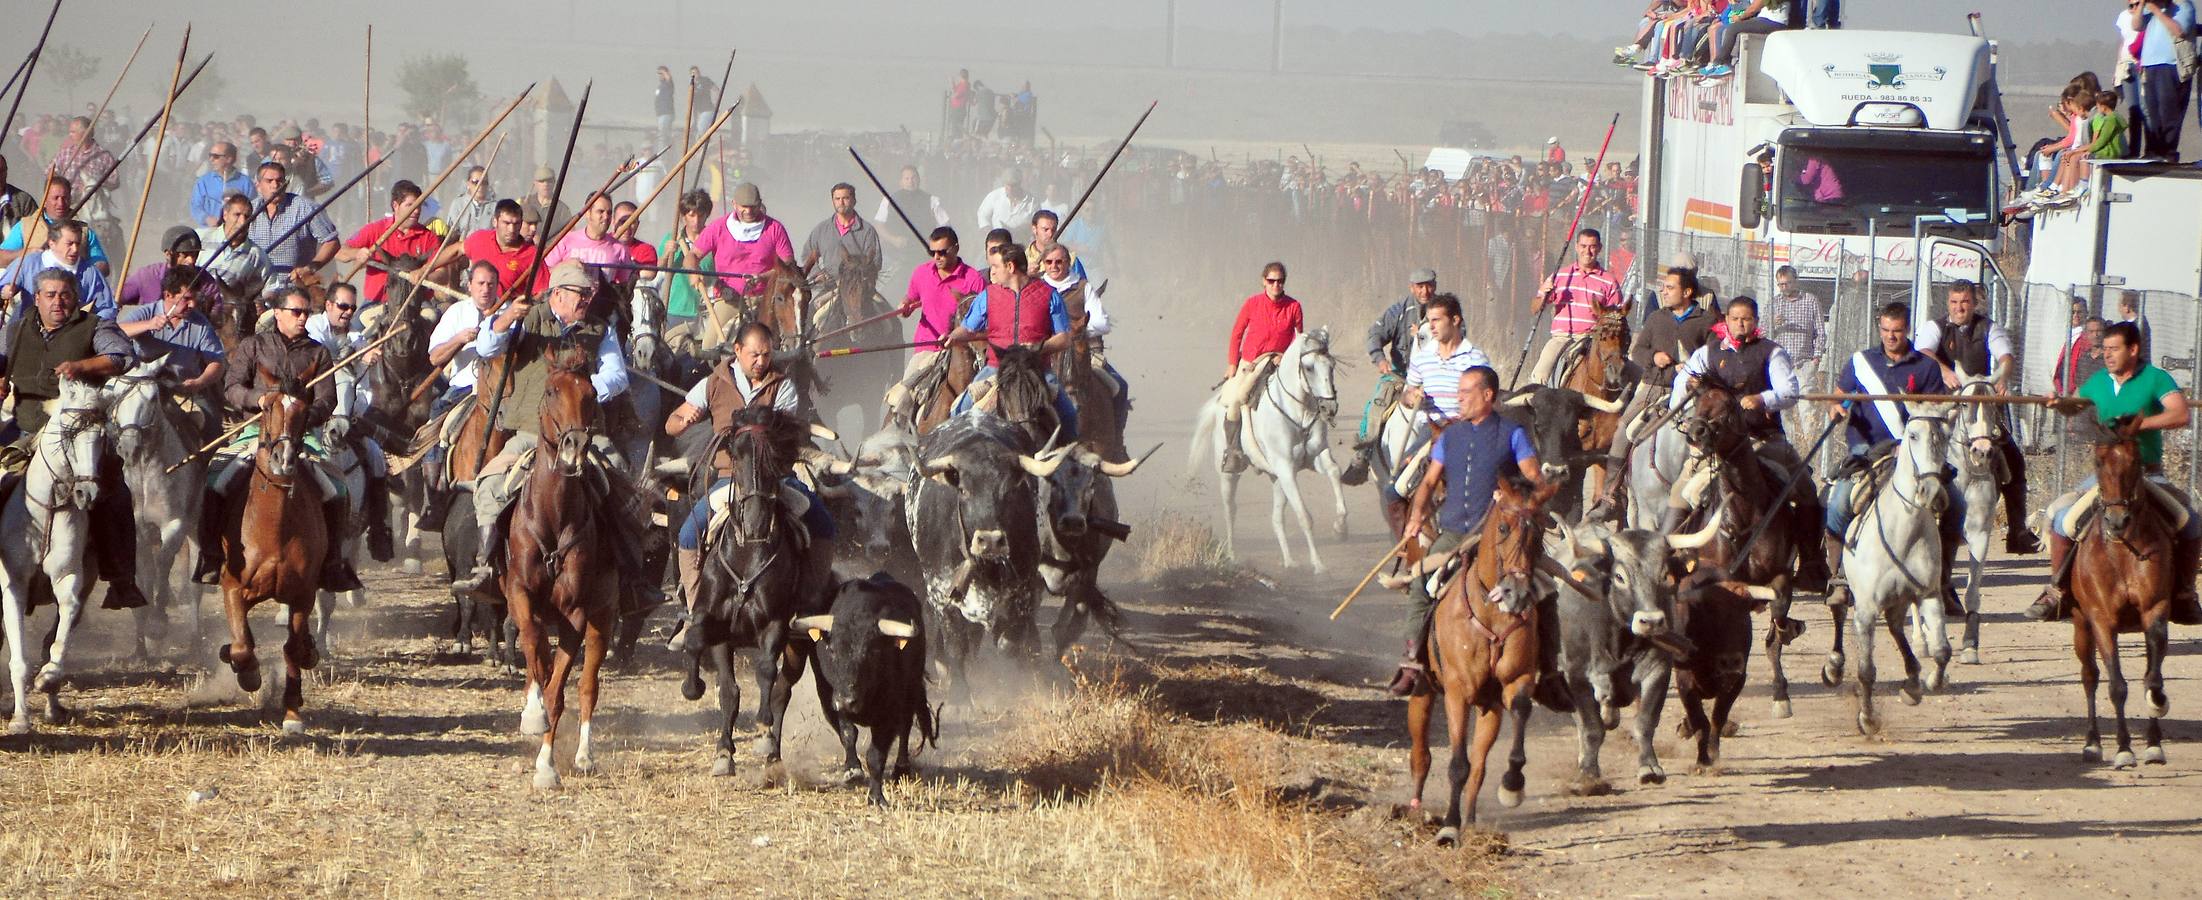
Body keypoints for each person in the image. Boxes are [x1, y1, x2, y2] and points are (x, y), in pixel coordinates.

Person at [451, 261, 650, 600]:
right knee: (490, 483)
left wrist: (577, 393)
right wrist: (506, 318)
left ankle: (632, 577)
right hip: (531, 431)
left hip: (587, 434)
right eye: (580, 294)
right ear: (558, 293)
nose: (587, 300)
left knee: (623, 483)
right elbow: (486, 348)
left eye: (590, 294)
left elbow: (616, 376)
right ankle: (486, 566)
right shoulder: (527, 320)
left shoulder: (599, 330)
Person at [660, 321, 835, 652]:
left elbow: (784, 433)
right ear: (737, 351)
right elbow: (672, 423)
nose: (761, 361)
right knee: (687, 534)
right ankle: (696, 613)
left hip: (774, 478)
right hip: (728, 479)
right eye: (754, 354)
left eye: (766, 355)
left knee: (823, 522)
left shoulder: (781, 387)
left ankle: (810, 600)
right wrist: (684, 421)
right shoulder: (713, 383)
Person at [193, 286, 364, 591]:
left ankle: (333, 562)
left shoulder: (318, 352)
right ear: (278, 314)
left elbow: (327, 400)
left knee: (337, 488)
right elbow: (231, 387)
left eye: (306, 313)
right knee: (214, 481)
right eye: (296, 312)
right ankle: (210, 555)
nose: (302, 318)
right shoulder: (253, 346)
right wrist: (259, 399)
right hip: (253, 431)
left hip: (302, 437)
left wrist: (298, 418)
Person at [2033, 321, 2202, 625]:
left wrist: (2137, 426)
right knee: (2062, 519)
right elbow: (2075, 405)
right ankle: (2057, 590)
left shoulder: (2156, 379)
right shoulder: (2099, 381)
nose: (2107, 354)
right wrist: (2060, 403)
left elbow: (2180, 414)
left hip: (2147, 474)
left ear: (2133, 350)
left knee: (2190, 522)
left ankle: (2185, 594)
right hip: (2107, 477)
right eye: (2105, 348)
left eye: (2114, 349)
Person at [1388, 365, 1542, 697]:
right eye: (1458, 393)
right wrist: (1415, 517)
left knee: (1546, 590)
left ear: (1488, 395)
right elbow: (1429, 482)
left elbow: (1535, 480)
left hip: (1503, 536)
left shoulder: (1513, 433)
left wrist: (1513, 495)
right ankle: (1412, 663)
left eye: (1465, 393)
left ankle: (1551, 671)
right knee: (1421, 586)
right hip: (1455, 532)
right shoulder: (1450, 436)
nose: (1459, 399)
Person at [0, 268, 148, 609]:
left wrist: (82, 366)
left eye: (65, 294)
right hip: (24, 429)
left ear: (75, 298)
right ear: (36, 299)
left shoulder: (95, 326)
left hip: (82, 432)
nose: (58, 301)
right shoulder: (16, 328)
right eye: (50, 295)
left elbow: (123, 357)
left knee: (114, 492)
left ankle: (120, 578)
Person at [1672, 295, 1831, 596]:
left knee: (1805, 489)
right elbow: (1681, 386)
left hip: (1764, 439)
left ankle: (1811, 564)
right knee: (1681, 489)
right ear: (1726, 321)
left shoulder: (1771, 352)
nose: (1740, 324)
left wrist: (1762, 399)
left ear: (1756, 322)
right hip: (1716, 446)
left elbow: (1789, 390)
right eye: (1735, 318)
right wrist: (1688, 395)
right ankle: (1669, 555)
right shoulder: (1708, 353)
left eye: (1746, 319)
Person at [1821, 303, 1965, 617]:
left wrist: (1911, 444)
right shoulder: (1862, 362)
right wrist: (1836, 407)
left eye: (1897, 331)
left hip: (1913, 452)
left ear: (1907, 330)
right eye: (1885, 330)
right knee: (1839, 502)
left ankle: (1941, 581)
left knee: (1956, 503)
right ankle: (1840, 578)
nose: (1890, 336)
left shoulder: (1925, 367)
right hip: (1867, 449)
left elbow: (1932, 411)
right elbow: (1839, 395)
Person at [1913, 280, 2042, 554]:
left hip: (1979, 404)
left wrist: (2003, 377)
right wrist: (1944, 371)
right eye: (1955, 302)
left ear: (1974, 303)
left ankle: (2017, 530)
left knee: (2015, 461)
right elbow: (1922, 351)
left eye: (1965, 302)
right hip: (1943, 404)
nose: (1960, 308)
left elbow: (2006, 356)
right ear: (1948, 303)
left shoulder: (1989, 327)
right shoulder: (1935, 328)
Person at [1592, 266, 1715, 513]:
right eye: (1664, 287)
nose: (1664, 291)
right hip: (1654, 388)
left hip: (1694, 393)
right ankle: (1610, 493)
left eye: (1670, 287)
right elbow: (1637, 351)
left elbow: (1714, 355)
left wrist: (1694, 371)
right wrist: (1654, 356)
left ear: (1687, 291)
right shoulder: (1657, 318)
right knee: (1623, 430)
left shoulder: (1706, 320)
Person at [943, 242, 1079, 436]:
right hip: (996, 369)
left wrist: (1039, 347)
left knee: (1069, 415)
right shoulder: (988, 295)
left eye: (996, 267)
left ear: (1010, 267)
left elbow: (1064, 338)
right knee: (959, 411)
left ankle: (1070, 460)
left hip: (1036, 371)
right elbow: (967, 328)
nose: (993, 273)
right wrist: (951, 337)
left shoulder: (1050, 295)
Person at [309, 282, 395, 560]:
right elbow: (319, 360)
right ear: (329, 305)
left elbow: (362, 391)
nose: (347, 312)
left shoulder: (359, 339)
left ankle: (379, 527)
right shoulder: (313, 328)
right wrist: (351, 356)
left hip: (345, 417)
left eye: (352, 308)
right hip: (310, 413)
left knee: (375, 454)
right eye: (343, 306)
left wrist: (362, 362)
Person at [882, 226, 985, 423]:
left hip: (964, 352)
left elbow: (984, 316)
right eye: (933, 252)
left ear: (955, 248)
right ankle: (897, 431)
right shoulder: (921, 273)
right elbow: (911, 297)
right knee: (903, 396)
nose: (937, 257)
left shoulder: (973, 279)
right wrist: (905, 305)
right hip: (926, 348)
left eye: (942, 252)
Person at [116, 265, 228, 443]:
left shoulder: (200, 323)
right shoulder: (148, 312)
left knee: (213, 425)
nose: (192, 304)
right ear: (168, 295)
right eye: (186, 299)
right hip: (144, 387)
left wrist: (199, 382)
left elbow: (216, 362)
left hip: (184, 389)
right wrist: (147, 325)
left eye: (195, 299)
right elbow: (116, 331)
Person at [1219, 262, 1305, 474]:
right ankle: (1233, 451)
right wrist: (1232, 364)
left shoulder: (1294, 306)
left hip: (1280, 363)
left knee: (1305, 396)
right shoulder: (1252, 304)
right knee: (1236, 399)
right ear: (1263, 281)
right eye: (1271, 281)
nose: (1276, 285)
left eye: (1280, 281)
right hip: (1252, 362)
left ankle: (1305, 447)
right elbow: (1237, 334)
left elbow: (1299, 339)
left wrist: (1285, 356)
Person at [1036, 243, 1129, 432]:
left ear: (1068, 262)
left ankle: (1117, 443)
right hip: (1045, 354)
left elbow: (1102, 323)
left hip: (1082, 351)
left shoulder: (1083, 287)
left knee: (1119, 386)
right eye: (1049, 262)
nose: (1054, 266)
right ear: (1043, 264)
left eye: (1059, 261)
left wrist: (1076, 333)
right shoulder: (1036, 288)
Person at [1354, 268, 1438, 466]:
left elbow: (1459, 334)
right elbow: (1375, 333)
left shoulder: (1445, 311)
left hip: (1437, 378)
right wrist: (1379, 359)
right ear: (1411, 287)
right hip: (1401, 376)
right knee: (1376, 405)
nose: (1425, 291)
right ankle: (1363, 453)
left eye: (1429, 285)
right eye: (1420, 286)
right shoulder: (1398, 311)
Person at [1527, 229, 1625, 386]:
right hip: (1563, 337)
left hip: (1594, 339)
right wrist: (1544, 295)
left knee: (1624, 377)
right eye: (1583, 246)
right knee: (1540, 374)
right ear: (1576, 247)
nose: (1587, 251)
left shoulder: (1609, 281)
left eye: (1592, 246)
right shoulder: (1560, 276)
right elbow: (1534, 309)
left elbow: (1617, 317)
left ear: (1599, 248)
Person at [336, 181, 444, 304]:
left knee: (434, 317)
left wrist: (425, 276)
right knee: (355, 323)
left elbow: (442, 272)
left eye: (419, 206)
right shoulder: (375, 230)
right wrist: (357, 253)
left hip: (417, 303)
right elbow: (339, 252)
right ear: (395, 205)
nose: (416, 211)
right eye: (410, 206)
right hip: (377, 301)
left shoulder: (428, 237)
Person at [689, 182, 794, 299]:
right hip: (728, 298)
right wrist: (694, 271)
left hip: (767, 299)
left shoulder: (775, 228)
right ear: (734, 204)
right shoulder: (718, 227)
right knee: (718, 318)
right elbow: (693, 255)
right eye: (744, 207)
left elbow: (788, 265)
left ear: (760, 203)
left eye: (753, 206)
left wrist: (763, 277)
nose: (748, 211)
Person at [246, 161, 340, 286]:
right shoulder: (248, 212)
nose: (275, 186)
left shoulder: (306, 208)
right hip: (257, 288)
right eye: (269, 181)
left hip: (294, 287)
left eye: (279, 181)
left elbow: (331, 242)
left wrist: (310, 268)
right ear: (258, 185)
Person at [2, 218, 116, 320]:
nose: (75, 249)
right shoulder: (29, 263)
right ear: (52, 243)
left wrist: (89, 328)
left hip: (72, 336)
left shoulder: (90, 273)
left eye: (77, 243)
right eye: (69, 244)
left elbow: (107, 309)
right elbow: (3, 287)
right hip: (27, 330)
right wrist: (5, 291)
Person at [0, 176, 110, 272]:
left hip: (73, 292)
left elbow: (102, 265)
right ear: (45, 199)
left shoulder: (84, 230)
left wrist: (85, 271)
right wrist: (25, 254)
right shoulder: (25, 226)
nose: (60, 203)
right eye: (55, 198)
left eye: (65, 198)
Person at [2132, 0, 2195, 163]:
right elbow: (2136, 26)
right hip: (2149, 64)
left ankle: (2168, 152)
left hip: (2171, 65)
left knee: (2168, 112)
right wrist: (2141, 7)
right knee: (2152, 112)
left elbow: (2179, 31)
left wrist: (2158, 12)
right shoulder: (2150, 9)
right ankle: (2153, 150)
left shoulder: (2183, 6)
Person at [798, 182, 883, 301]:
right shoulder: (822, 230)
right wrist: (818, 274)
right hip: (830, 288)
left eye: (845, 198)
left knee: (886, 313)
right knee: (809, 317)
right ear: (833, 201)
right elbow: (808, 254)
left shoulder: (867, 230)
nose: (841, 202)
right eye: (837, 199)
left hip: (860, 289)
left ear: (854, 200)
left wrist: (858, 276)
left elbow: (876, 261)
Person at [541, 191, 636, 285]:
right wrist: (566, 266)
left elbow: (625, 286)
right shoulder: (566, 240)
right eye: (600, 212)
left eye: (609, 213)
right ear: (587, 213)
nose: (606, 217)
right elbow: (544, 274)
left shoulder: (619, 249)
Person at [117, 226, 220, 309]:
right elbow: (115, 300)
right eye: (185, 254)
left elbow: (218, 313)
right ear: (168, 254)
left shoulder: (206, 281)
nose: (191, 260)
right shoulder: (147, 276)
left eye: (195, 254)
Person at [453, 199, 541, 295]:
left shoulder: (533, 255)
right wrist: (433, 265)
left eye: (516, 224)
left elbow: (541, 293)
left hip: (508, 307)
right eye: (507, 223)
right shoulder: (480, 238)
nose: (512, 229)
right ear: (495, 222)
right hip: (474, 302)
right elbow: (457, 250)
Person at [196, 193, 269, 304]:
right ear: (225, 215)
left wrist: (262, 305)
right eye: (237, 215)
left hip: (228, 315)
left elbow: (272, 288)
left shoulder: (257, 256)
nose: (242, 222)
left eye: (247, 216)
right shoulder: (200, 238)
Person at [658, 190, 714, 329]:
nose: (696, 221)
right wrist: (666, 254)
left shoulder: (713, 241)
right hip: (675, 309)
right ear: (684, 217)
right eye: (692, 215)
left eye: (701, 215)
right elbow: (656, 270)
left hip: (705, 310)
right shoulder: (672, 238)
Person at [874, 164, 951, 261]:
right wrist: (893, 239)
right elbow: (878, 225)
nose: (910, 181)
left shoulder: (932, 200)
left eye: (913, 178)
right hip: (895, 255)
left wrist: (934, 244)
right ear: (901, 182)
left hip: (923, 254)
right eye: (907, 178)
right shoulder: (889, 200)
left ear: (919, 180)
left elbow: (945, 225)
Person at [189, 141, 251, 227]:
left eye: (216, 156)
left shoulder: (246, 182)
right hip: (209, 232)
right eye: (210, 155)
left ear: (229, 159)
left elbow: (252, 207)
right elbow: (195, 206)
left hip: (236, 232)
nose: (211, 160)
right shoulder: (203, 181)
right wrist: (206, 218)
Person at [1023, 209, 1087, 281]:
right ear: (1034, 229)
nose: (1050, 234)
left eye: (1053, 230)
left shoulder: (1070, 260)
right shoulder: (1022, 260)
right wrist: (1025, 276)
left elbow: (1081, 287)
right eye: (1045, 229)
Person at [442, 165, 498, 240]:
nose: (480, 186)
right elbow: (451, 233)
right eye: (475, 182)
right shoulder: (458, 204)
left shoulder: (495, 206)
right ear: (468, 183)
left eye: (484, 182)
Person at [519, 165, 570, 233]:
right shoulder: (523, 202)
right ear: (535, 183)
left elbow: (570, 233)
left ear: (554, 183)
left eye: (549, 181)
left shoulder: (562, 209)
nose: (546, 184)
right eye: (541, 181)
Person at [653, 66, 678, 148]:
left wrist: (665, 72)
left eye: (661, 73)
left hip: (666, 113)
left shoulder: (668, 84)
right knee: (663, 135)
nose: (660, 75)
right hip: (661, 114)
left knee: (663, 136)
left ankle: (662, 155)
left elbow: (669, 78)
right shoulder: (661, 85)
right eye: (658, 74)